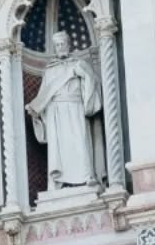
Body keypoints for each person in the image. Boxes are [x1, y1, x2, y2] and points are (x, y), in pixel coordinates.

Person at [26, 31, 101, 190]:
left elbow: (92, 82)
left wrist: (85, 75)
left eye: (63, 44)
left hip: (75, 107)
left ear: (69, 44)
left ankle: (87, 176)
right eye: (57, 45)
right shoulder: (50, 70)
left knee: (79, 141)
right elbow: (44, 95)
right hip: (55, 112)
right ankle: (58, 180)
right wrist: (36, 110)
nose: (60, 47)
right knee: (59, 148)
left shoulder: (79, 64)